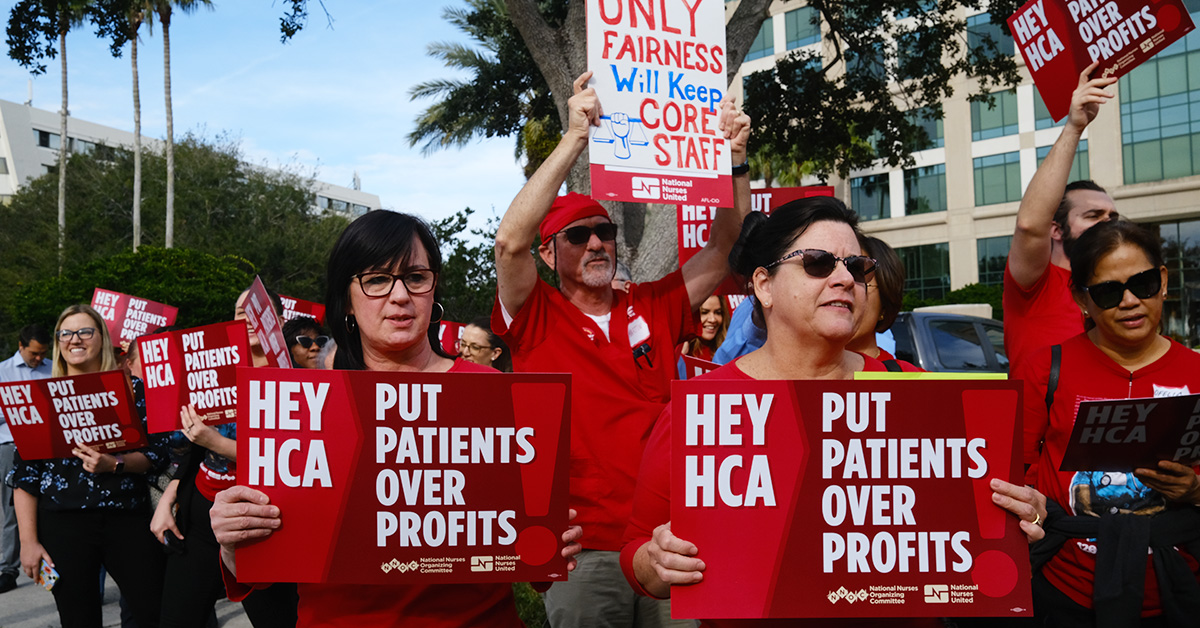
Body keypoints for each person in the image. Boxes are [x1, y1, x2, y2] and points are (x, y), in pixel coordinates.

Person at [209, 210, 583, 626]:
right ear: (346, 300)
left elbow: (533, 566)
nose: (400, 295)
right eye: (376, 280)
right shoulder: (303, 407)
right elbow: (254, 566)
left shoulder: (492, 394)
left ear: (433, 288)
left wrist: (552, 542)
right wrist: (234, 538)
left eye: (416, 277)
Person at [492, 70, 751, 627]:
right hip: (584, 547)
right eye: (577, 236)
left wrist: (734, 160)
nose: (596, 243)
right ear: (548, 254)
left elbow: (726, 245)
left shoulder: (653, 305)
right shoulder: (535, 313)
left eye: (604, 232)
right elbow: (509, 239)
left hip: (669, 537)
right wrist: (574, 138)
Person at [619, 197, 953, 627]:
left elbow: (964, 528)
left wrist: (1021, 516)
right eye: (817, 263)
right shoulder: (702, 410)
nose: (844, 279)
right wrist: (656, 560)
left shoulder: (916, 393)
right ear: (764, 286)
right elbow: (635, 554)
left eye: (856, 267)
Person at [1006, 220, 1200, 626]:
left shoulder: (1195, 371)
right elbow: (1012, 474)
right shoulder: (1044, 369)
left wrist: (1196, 489)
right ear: (1081, 298)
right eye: (1109, 292)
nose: (1130, 301)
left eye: (1143, 283)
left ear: (1163, 280)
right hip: (1065, 590)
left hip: (1179, 588)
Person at [8, 305, 167, 627]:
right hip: (62, 525)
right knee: (77, 618)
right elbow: (25, 477)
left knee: (151, 611)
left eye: (84, 331)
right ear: (58, 342)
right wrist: (28, 543)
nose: (74, 339)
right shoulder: (39, 398)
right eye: (65, 333)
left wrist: (116, 463)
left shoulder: (132, 389)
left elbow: (157, 454)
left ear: (102, 338)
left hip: (126, 519)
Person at [152, 288, 298, 628]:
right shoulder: (211, 369)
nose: (246, 318)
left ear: (277, 320)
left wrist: (218, 442)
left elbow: (294, 455)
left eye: (256, 310)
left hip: (262, 521)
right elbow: (193, 445)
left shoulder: (298, 373)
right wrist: (169, 495)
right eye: (238, 311)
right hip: (200, 514)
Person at [1004, 63, 1118, 371]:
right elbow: (1029, 225)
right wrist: (1074, 127)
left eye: (1113, 215)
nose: (1109, 222)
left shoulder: (1123, 289)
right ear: (1056, 230)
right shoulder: (1034, 284)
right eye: (1094, 215)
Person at [0, 323, 52, 594]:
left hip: (48, 445)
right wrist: (24, 409)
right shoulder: (2, 372)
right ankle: (7, 568)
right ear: (21, 347)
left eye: (43, 353)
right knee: (12, 511)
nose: (39, 358)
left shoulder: (53, 369)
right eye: (34, 353)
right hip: (12, 445)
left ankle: (50, 560)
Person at [847, 235, 919, 372]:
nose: (842, 289)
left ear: (884, 308)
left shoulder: (917, 386)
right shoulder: (795, 378)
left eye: (859, 284)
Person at [676, 296, 728, 378]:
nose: (712, 319)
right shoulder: (680, 350)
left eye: (718, 312)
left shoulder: (728, 350)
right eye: (704, 312)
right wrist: (680, 357)